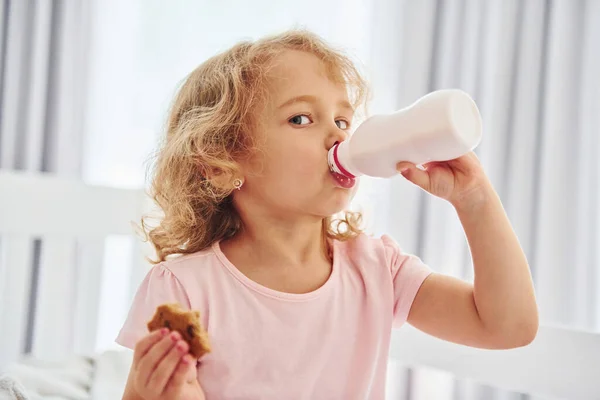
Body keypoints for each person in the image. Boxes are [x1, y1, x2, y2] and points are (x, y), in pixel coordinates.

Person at [117, 29, 539, 400]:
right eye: (301, 118)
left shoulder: (377, 270)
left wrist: (475, 199)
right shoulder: (185, 288)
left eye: (343, 119)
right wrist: (147, 392)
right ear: (222, 163)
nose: (338, 135)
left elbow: (507, 326)